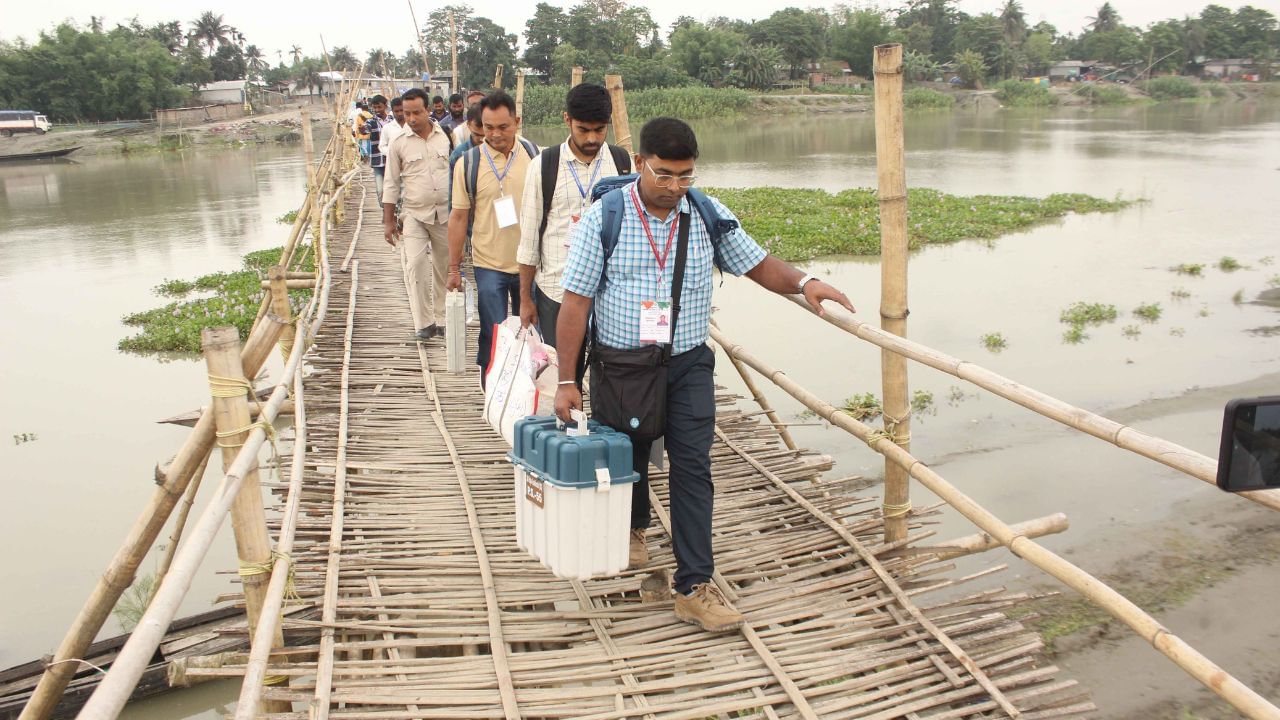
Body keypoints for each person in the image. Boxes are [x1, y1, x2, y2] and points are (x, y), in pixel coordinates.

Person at [553, 117, 854, 633]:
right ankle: (634, 525)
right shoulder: (605, 216)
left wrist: (807, 281)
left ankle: (693, 585)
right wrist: (565, 381)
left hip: (688, 362)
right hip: (622, 365)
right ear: (641, 162)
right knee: (630, 454)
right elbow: (576, 301)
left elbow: (757, 263)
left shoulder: (706, 213)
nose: (675, 187)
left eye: (686, 176)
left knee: (693, 467)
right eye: (665, 175)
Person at [517, 83, 630, 349]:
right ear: (567, 119)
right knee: (563, 374)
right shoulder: (544, 166)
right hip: (557, 291)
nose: (592, 138)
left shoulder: (621, 162)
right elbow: (529, 239)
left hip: (610, 293)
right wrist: (525, 299)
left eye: (599, 130)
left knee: (611, 373)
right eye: (583, 129)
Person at [445, 90, 540, 381]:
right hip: (489, 264)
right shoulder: (468, 164)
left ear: (517, 122)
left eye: (503, 127)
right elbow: (459, 216)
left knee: (535, 333)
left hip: (533, 264)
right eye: (488, 128)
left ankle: (529, 392)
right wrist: (453, 268)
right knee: (493, 330)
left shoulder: (537, 158)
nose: (495, 134)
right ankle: (493, 392)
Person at [383, 88, 455, 342]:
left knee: (443, 267)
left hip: (446, 213)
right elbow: (391, 183)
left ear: (428, 110)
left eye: (416, 112)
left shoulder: (447, 137)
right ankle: (424, 323)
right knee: (415, 264)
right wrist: (388, 220)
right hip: (413, 213)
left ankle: (442, 318)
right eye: (406, 113)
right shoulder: (398, 143)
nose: (411, 118)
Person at [362, 95, 391, 201]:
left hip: (392, 160)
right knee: (380, 191)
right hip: (377, 160)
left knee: (394, 189)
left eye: (379, 107)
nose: (377, 110)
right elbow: (366, 129)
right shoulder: (371, 121)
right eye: (375, 108)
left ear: (385, 105)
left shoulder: (392, 121)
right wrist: (362, 129)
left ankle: (392, 213)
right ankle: (385, 211)